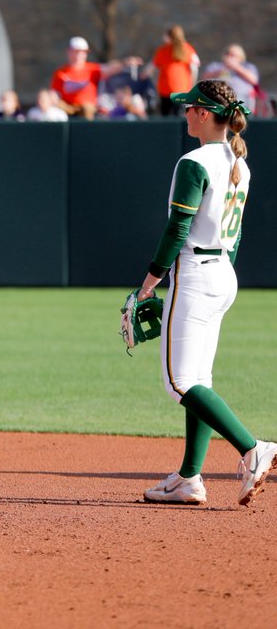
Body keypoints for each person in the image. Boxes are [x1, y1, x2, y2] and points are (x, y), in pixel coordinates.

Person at [132, 79, 276, 506]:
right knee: (199, 379)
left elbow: (177, 228)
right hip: (222, 272)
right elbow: (238, 231)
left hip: (195, 271)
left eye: (192, 106)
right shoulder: (239, 161)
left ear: (206, 114)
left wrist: (148, 284)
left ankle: (254, 447)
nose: (186, 112)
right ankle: (189, 478)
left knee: (179, 383)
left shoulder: (194, 161)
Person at [50, 36, 140, 121]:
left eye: (83, 52)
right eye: (76, 51)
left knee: (87, 109)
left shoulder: (91, 69)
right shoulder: (60, 72)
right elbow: (54, 93)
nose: (79, 55)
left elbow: (109, 68)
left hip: (88, 108)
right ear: (69, 52)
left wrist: (124, 63)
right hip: (68, 108)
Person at [143, 25, 199, 118]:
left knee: (167, 118)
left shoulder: (163, 50)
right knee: (180, 118)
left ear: (169, 36)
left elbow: (151, 68)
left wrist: (143, 74)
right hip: (181, 90)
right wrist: (192, 85)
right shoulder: (188, 49)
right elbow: (194, 69)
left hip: (166, 90)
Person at [202, 44, 262, 114]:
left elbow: (254, 80)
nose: (229, 57)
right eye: (227, 54)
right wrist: (222, 70)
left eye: (233, 55)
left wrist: (236, 67)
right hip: (218, 98)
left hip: (241, 97)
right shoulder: (216, 66)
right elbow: (205, 78)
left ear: (241, 57)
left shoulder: (247, 66)